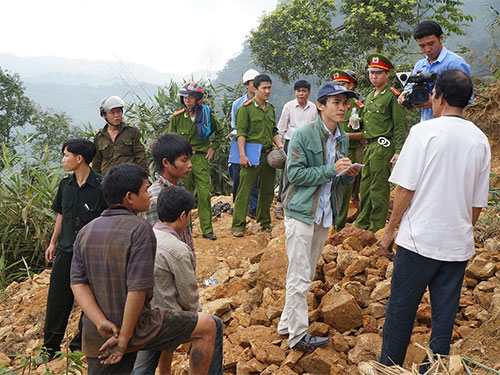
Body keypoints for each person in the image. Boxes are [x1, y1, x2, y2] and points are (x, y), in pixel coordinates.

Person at [360, 70, 490, 375]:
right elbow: (476, 205)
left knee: (400, 310)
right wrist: (461, 232)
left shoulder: (424, 133)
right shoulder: (480, 140)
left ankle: (389, 368)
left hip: (418, 240)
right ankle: (433, 370)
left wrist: (389, 231)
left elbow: (405, 190)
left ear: (440, 97)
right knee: (443, 317)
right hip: (456, 246)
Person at [70, 163, 216, 375]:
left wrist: (101, 322)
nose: (149, 196)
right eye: (145, 190)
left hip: (97, 334)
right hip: (138, 327)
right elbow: (137, 289)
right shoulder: (140, 230)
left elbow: (78, 283)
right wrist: (124, 339)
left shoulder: (85, 232)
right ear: (130, 197)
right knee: (207, 326)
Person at [278, 82, 361, 351]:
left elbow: (337, 180)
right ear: (321, 105)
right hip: (301, 212)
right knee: (300, 275)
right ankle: (298, 336)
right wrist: (330, 169)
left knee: (304, 272)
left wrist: (347, 176)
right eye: (336, 102)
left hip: (323, 214)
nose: (342, 107)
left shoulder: (343, 138)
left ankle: (285, 325)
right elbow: (295, 175)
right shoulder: (303, 135)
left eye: (345, 103)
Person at [132, 186, 223, 375]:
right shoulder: (178, 249)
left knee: (142, 366)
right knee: (213, 325)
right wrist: (196, 319)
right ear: (183, 216)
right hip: (163, 321)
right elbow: (189, 298)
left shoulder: (143, 238)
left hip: (139, 316)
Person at [43, 138, 108, 358]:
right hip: (65, 250)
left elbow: (108, 219)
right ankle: (50, 348)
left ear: (79, 159)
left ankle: (78, 346)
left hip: (91, 255)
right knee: (57, 300)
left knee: (88, 300)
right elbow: (62, 213)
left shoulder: (101, 186)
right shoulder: (65, 185)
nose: (63, 160)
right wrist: (53, 242)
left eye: (66, 155)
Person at [354, 53, 406, 233]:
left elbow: (399, 126)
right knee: (365, 185)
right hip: (369, 146)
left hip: (383, 146)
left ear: (387, 74)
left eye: (378, 73)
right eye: (371, 73)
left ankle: (376, 226)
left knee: (378, 187)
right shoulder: (369, 97)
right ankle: (362, 223)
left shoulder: (392, 96)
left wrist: (399, 150)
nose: (374, 76)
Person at [167, 82, 224, 240]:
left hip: (200, 158)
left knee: (205, 193)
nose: (188, 101)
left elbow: (219, 132)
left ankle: (207, 229)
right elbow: (170, 138)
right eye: (185, 98)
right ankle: (186, 229)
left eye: (191, 98)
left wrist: (212, 148)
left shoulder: (206, 115)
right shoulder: (178, 117)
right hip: (182, 159)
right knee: (184, 194)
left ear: (198, 99)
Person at [231, 74, 285, 237]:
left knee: (267, 190)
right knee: (244, 190)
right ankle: (238, 225)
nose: (267, 91)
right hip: (251, 155)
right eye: (264, 88)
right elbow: (241, 133)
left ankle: (264, 222)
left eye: (269, 87)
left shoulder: (270, 109)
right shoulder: (245, 109)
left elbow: (274, 131)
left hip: (268, 156)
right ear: (255, 88)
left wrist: (280, 146)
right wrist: (242, 155)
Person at [398, 20, 471, 121]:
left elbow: (467, 97)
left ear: (441, 38)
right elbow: (409, 87)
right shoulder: (420, 65)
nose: (427, 49)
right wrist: (405, 96)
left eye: (431, 43)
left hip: (449, 125)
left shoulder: (455, 63)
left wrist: (434, 102)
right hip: (425, 124)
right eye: (422, 46)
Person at [140, 133, 195, 253]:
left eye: (189, 159)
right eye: (184, 160)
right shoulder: (154, 199)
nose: (190, 165)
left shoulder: (179, 189)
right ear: (166, 163)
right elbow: (155, 245)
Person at [275, 79, 318, 219]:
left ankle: (300, 202)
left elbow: (317, 127)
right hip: (291, 143)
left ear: (309, 93)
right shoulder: (289, 106)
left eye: (304, 91)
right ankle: (280, 203)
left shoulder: (313, 108)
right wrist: (279, 146)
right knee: (287, 173)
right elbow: (281, 127)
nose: (301, 94)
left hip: (309, 145)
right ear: (295, 92)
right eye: (298, 91)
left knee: (306, 171)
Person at [331, 69, 365, 230]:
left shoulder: (359, 106)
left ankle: (341, 224)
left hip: (353, 151)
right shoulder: (330, 105)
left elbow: (368, 133)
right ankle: (333, 222)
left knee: (351, 186)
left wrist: (347, 136)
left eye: (342, 84)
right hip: (335, 150)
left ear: (351, 85)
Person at [229, 69, 260, 219]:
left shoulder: (264, 104)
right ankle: (238, 204)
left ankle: (253, 207)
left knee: (253, 176)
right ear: (246, 85)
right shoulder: (237, 104)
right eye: (252, 83)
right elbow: (234, 124)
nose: (255, 86)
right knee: (237, 174)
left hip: (255, 143)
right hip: (238, 140)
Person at [92, 96, 148, 175]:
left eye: (119, 112)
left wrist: (143, 177)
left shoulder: (132, 131)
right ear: (104, 115)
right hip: (108, 180)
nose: (117, 115)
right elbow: (96, 162)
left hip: (129, 177)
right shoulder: (99, 136)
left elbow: (141, 156)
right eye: (113, 113)